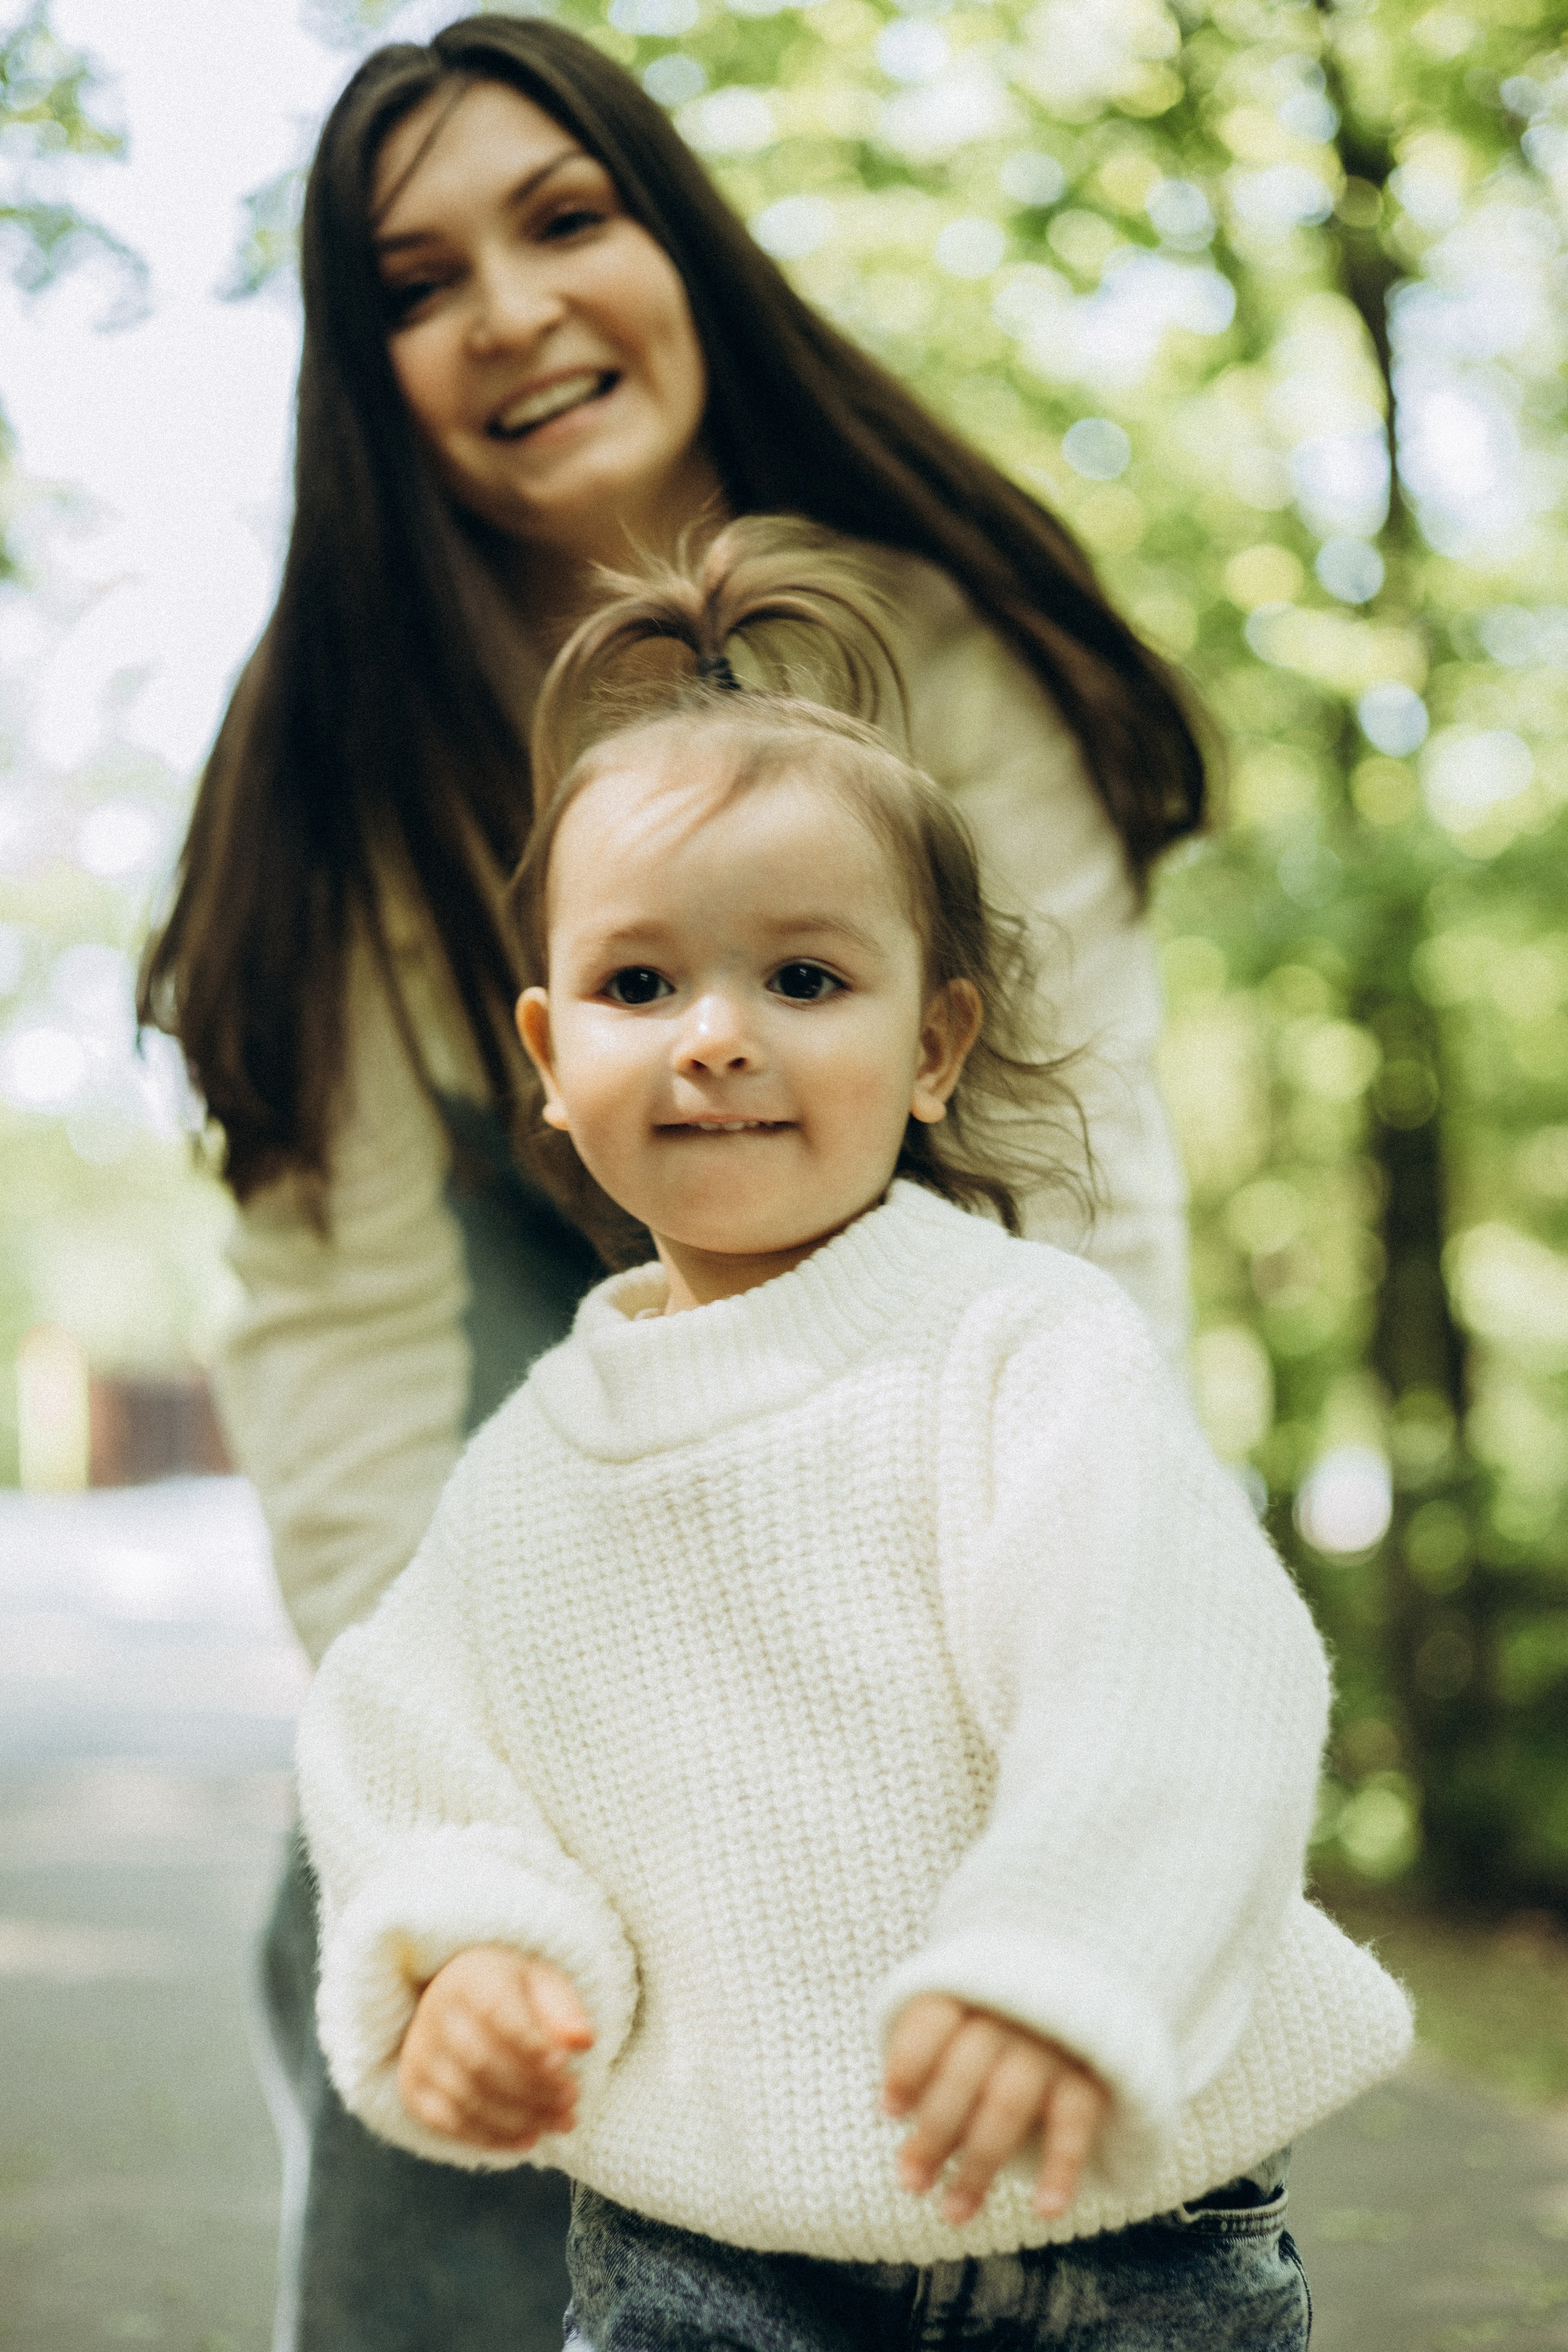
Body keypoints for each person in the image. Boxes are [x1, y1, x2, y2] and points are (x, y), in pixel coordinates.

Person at [141, 15, 1210, 2348]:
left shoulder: (941, 651)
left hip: (937, 1335)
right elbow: (338, 1335)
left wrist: (1059, 1657)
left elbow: (1081, 1177)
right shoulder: (329, 761)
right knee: (415, 1909)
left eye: (563, 219)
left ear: (675, 248)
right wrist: (463, 1806)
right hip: (542, 1381)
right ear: (368, 371)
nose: (510, 311)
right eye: (418, 283)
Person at [297, 526, 1413, 2352]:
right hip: (700, 2253)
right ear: (551, 1059)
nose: (718, 1038)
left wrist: (1071, 1956)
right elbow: (407, 1749)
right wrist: (471, 1945)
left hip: (1103, 2230)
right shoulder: (535, 1469)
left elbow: (1177, 1676)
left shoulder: (1015, 1354)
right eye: (641, 987)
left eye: (806, 981)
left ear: (935, 1043)